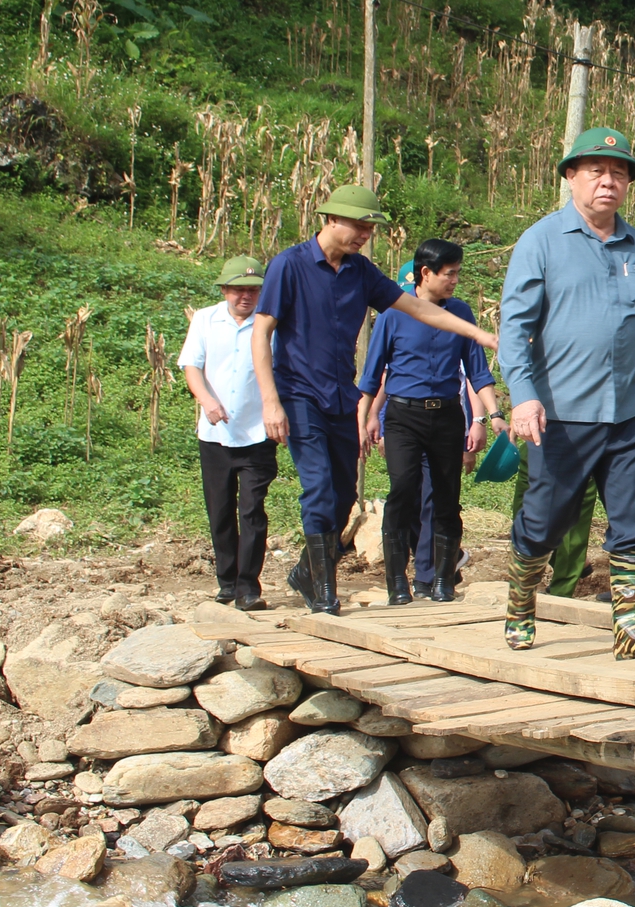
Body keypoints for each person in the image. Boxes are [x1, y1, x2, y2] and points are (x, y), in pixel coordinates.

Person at [253, 185, 500, 615]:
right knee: (318, 487)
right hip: (298, 394)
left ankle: (305, 571)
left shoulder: (361, 273)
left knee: (344, 495)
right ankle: (324, 591)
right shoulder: (288, 266)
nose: (365, 234)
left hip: (340, 395)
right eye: (359, 226)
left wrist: (478, 334)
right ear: (330, 219)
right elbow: (262, 332)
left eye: (370, 228)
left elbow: (417, 308)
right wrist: (270, 401)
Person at [497, 127, 635, 660]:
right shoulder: (541, 241)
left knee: (633, 522)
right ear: (571, 177)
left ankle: (630, 629)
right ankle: (520, 605)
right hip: (562, 414)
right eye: (596, 170)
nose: (608, 181)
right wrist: (524, 395)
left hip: (631, 411)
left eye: (618, 172)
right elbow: (515, 327)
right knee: (544, 520)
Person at [356, 239, 501, 606]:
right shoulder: (393, 314)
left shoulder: (461, 314)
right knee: (403, 490)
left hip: (447, 417)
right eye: (449, 274)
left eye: (457, 273)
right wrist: (364, 419)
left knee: (446, 497)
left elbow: (477, 372)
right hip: (404, 417)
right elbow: (372, 376)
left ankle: (440, 580)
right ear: (425, 273)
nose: (454, 280)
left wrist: (493, 416)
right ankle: (396, 583)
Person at [178, 255, 276, 611]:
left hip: (257, 432)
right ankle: (227, 580)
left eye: (252, 290)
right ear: (224, 290)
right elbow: (192, 365)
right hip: (215, 433)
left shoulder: (269, 324)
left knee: (252, 510)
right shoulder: (206, 319)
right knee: (220, 510)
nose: (245, 297)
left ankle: (249, 585)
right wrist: (207, 401)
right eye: (238, 290)